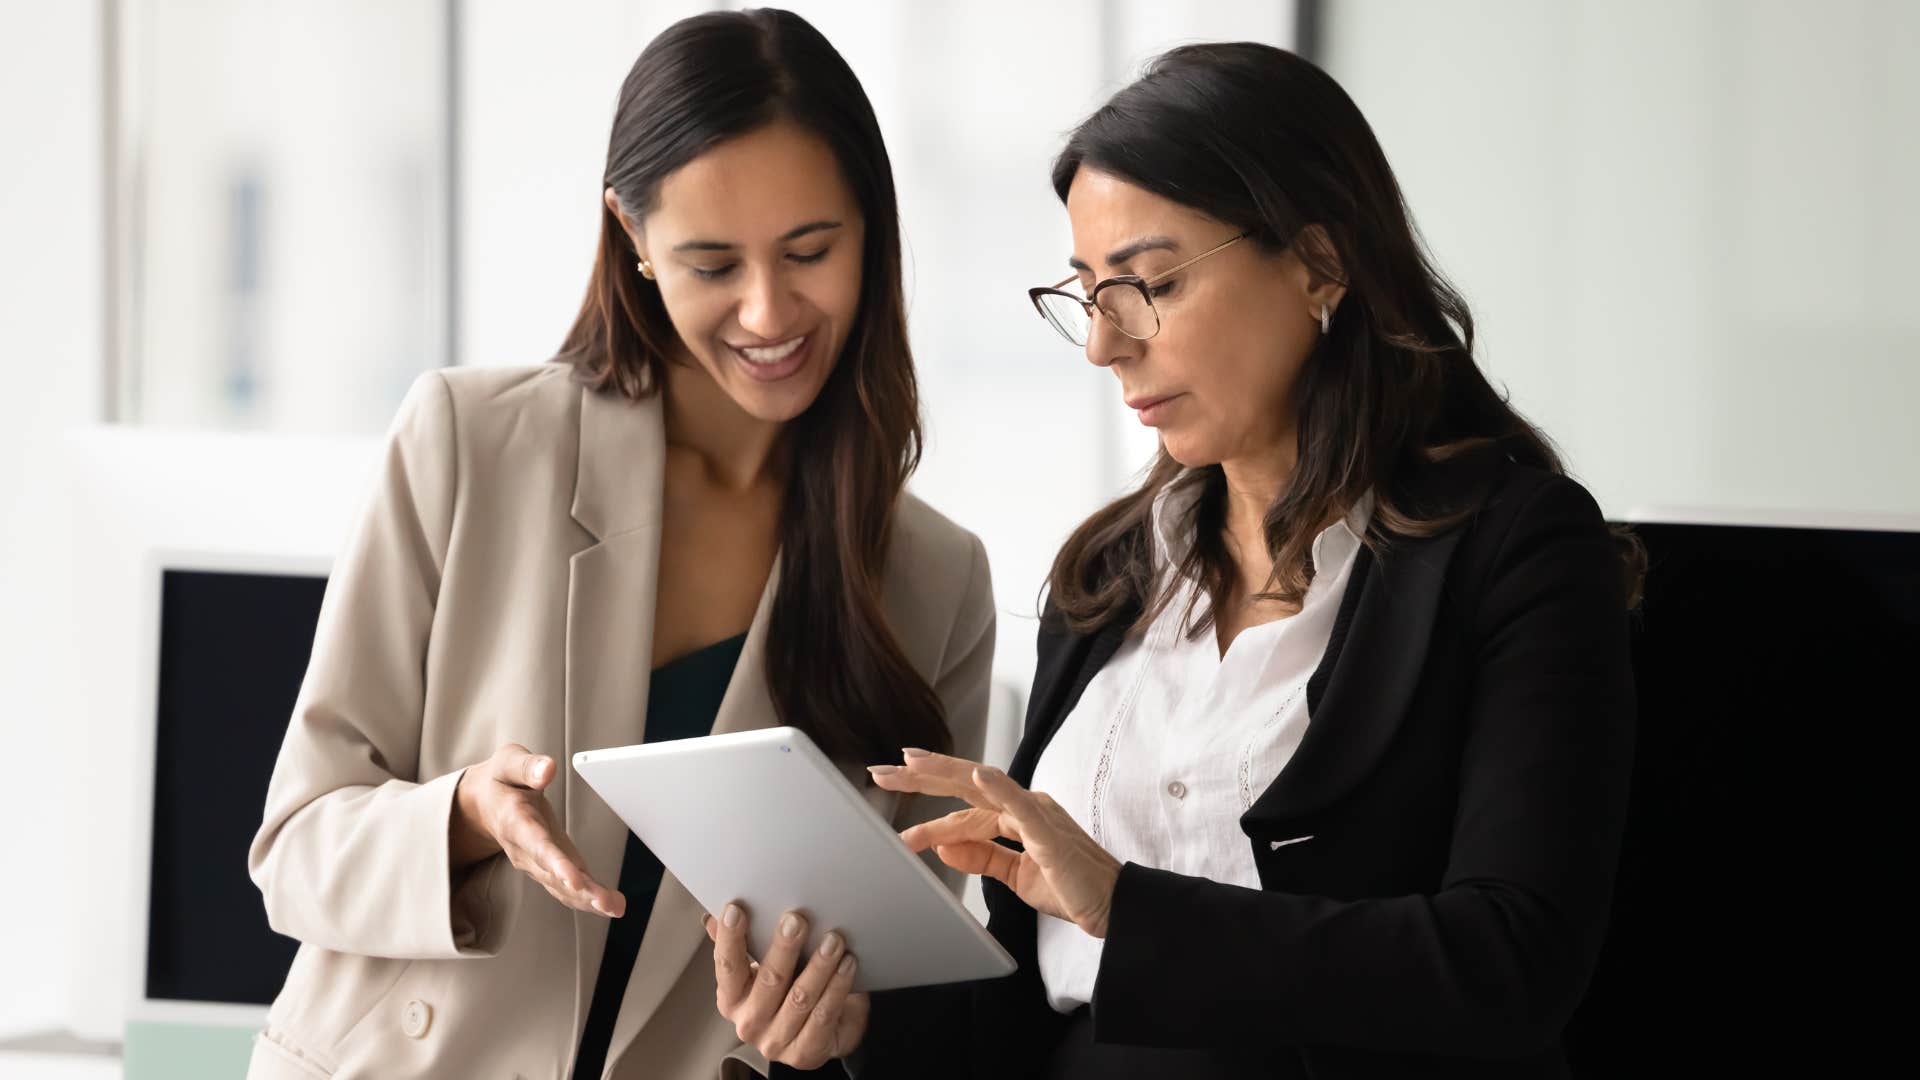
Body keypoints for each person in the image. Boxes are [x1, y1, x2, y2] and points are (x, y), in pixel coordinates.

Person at [863, 41, 1642, 1079]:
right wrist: (852, 1028)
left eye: (1148, 284)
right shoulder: (1109, 574)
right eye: (1088, 294)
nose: (1105, 345)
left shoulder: (1514, 549)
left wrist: (1129, 908)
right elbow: (1028, 1001)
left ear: (1320, 263)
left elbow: (1510, 962)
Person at [246, 10, 992, 1079]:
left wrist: (830, 1038)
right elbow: (296, 851)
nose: (769, 309)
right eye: (711, 263)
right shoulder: (470, 443)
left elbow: (905, 982)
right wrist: (460, 818)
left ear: (872, 229)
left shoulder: (936, 583)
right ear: (633, 241)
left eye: (810, 251)